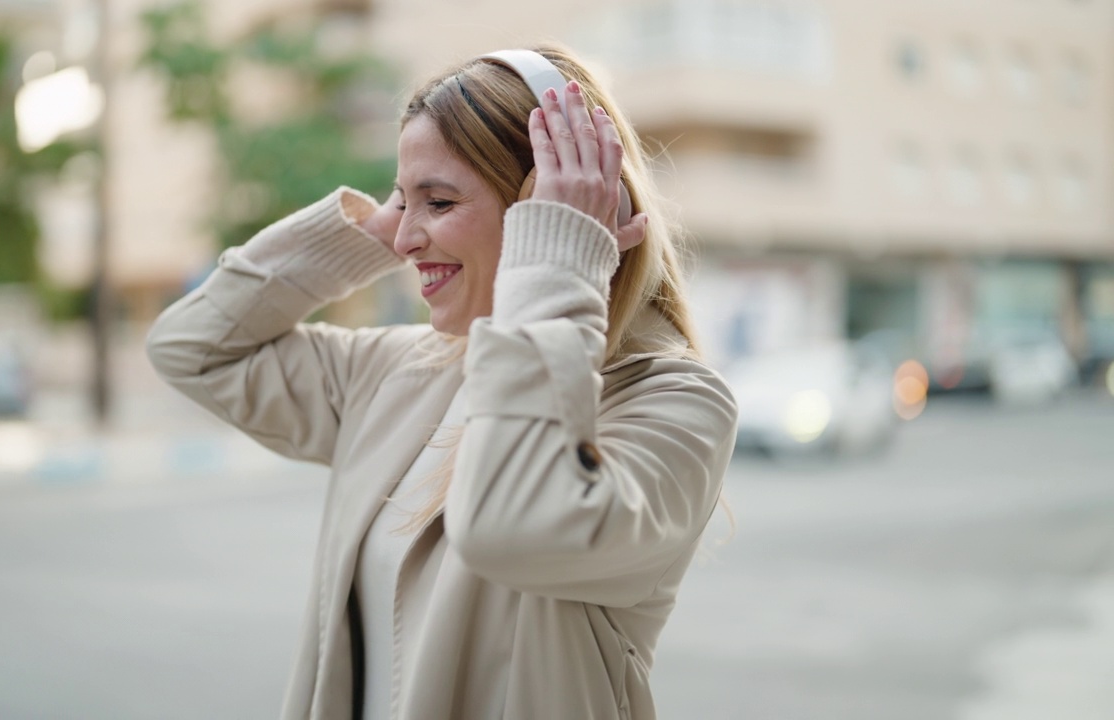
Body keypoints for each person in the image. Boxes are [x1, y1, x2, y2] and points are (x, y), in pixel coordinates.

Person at [146, 43, 738, 720]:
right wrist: (364, 234)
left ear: (550, 203)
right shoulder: (403, 370)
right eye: (404, 200)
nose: (404, 238)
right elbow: (193, 348)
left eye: (439, 200)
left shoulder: (675, 402)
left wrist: (556, 258)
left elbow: (511, 528)